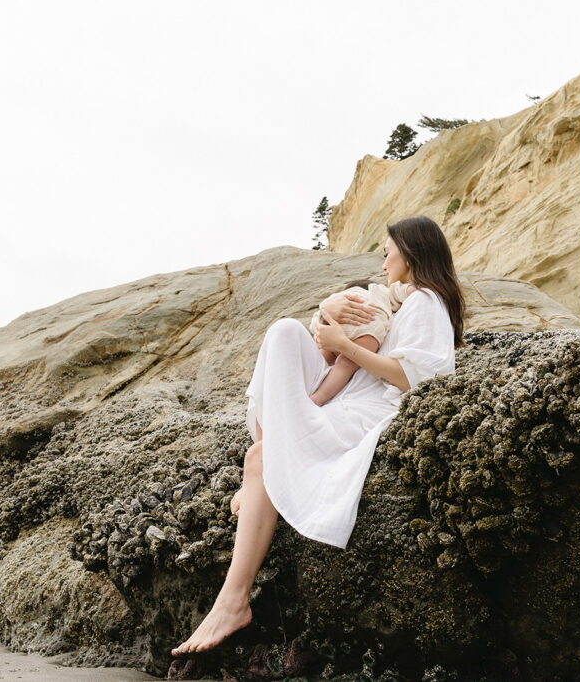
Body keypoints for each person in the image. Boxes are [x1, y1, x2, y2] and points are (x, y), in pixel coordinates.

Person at [171, 215, 466, 656]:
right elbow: (355, 329)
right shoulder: (403, 299)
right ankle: (267, 472)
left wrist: (344, 345)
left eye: (388, 248)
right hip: (348, 400)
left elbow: (410, 377)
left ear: (411, 250)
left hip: (370, 414)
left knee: (261, 459)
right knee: (285, 331)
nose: (383, 257)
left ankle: (232, 602)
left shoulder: (428, 302)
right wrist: (328, 315)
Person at [307, 277, 416, 406]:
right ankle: (318, 398)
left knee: (323, 356)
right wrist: (414, 289)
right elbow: (402, 291)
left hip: (337, 323)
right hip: (367, 325)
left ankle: (306, 386)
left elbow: (317, 321)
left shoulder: (337, 298)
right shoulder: (381, 291)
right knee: (344, 365)